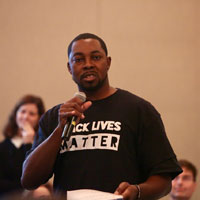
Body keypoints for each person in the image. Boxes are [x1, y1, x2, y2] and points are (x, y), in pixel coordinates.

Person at [21, 33, 182, 200]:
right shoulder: (55, 117)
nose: (88, 65)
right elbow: (29, 180)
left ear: (108, 63)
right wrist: (60, 129)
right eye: (79, 59)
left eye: (96, 57)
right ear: (69, 67)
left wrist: (137, 191)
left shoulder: (139, 110)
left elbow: (163, 181)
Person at [0, 94, 45, 198]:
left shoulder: (41, 145)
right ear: (16, 114)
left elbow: (35, 176)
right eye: (22, 111)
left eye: (32, 114)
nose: (25, 117)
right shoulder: (3, 147)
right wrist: (25, 191)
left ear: (39, 118)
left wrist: (29, 145)